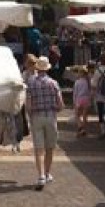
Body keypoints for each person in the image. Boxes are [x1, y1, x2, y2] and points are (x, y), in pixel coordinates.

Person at [25, 56, 63, 190]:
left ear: (37, 68)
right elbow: (60, 105)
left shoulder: (30, 82)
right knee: (50, 147)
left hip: (36, 117)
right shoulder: (53, 83)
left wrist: (30, 115)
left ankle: (40, 175)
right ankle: (47, 173)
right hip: (51, 116)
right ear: (47, 69)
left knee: (38, 149)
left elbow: (28, 104)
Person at [73, 65, 94, 137]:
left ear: (80, 74)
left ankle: (80, 127)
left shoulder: (77, 82)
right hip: (87, 99)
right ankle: (83, 129)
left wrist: (74, 101)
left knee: (77, 115)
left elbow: (75, 93)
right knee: (85, 116)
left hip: (79, 99)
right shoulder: (88, 82)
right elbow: (91, 92)